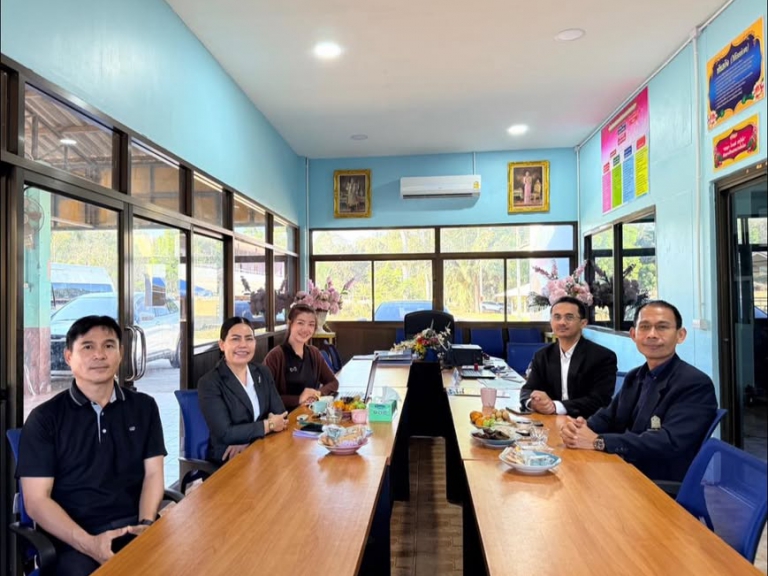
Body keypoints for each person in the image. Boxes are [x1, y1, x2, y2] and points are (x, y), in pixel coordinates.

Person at [16, 315, 166, 576]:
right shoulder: (45, 419)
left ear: (120, 353)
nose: (99, 355)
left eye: (108, 346)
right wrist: (90, 544)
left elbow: (153, 473)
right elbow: (36, 501)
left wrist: (145, 525)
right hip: (72, 538)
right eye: (87, 346)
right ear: (68, 356)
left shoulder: (144, 407)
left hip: (133, 527)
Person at [559, 300, 717, 482]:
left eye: (662, 327)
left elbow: (668, 441)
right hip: (622, 470)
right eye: (645, 327)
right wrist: (580, 428)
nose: (652, 334)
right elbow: (608, 417)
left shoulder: (694, 384)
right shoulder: (635, 376)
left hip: (656, 483)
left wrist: (598, 441)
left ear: (680, 335)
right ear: (633, 335)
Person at [198, 317, 288, 464]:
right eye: (235, 339)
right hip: (229, 459)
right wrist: (269, 425)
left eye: (249, 339)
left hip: (262, 449)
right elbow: (226, 433)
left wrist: (247, 439)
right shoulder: (210, 383)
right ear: (222, 345)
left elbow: (280, 414)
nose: (243, 345)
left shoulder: (262, 372)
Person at [519, 296, 617, 418]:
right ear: (551, 322)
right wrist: (533, 403)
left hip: (585, 422)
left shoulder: (603, 357)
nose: (562, 322)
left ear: (583, 323)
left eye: (569, 317)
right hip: (550, 421)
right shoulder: (542, 355)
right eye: (557, 317)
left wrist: (555, 406)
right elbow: (527, 390)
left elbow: (599, 400)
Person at [264, 303, 339, 410]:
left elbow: (333, 382)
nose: (305, 329)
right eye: (300, 323)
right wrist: (298, 399)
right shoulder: (275, 356)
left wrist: (318, 393)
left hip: (311, 414)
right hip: (284, 417)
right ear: (290, 323)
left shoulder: (314, 353)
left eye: (311, 325)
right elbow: (264, 397)